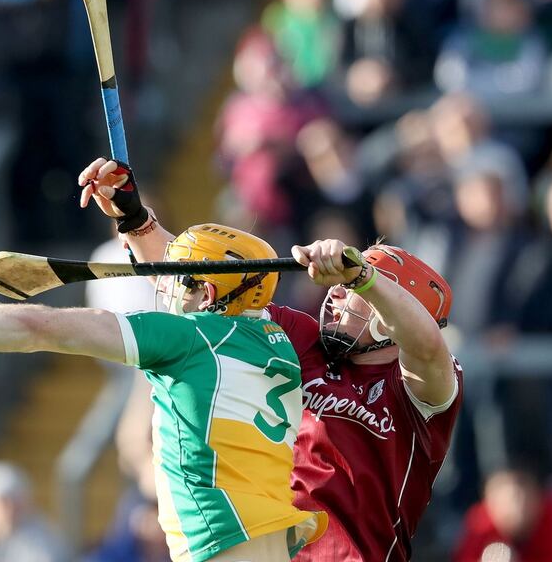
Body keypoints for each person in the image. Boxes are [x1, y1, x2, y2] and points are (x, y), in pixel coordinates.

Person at [0, 223, 328, 562]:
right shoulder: (278, 338)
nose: (166, 288)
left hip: (222, 539)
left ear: (208, 294)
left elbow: (38, 326)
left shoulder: (189, 337)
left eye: (180, 281)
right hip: (265, 538)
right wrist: (137, 221)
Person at [77, 157, 462, 561]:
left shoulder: (424, 390)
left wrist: (363, 278)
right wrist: (136, 220)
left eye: (352, 294)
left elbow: (427, 345)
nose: (335, 294)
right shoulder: (300, 339)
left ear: (388, 320)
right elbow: (207, 283)